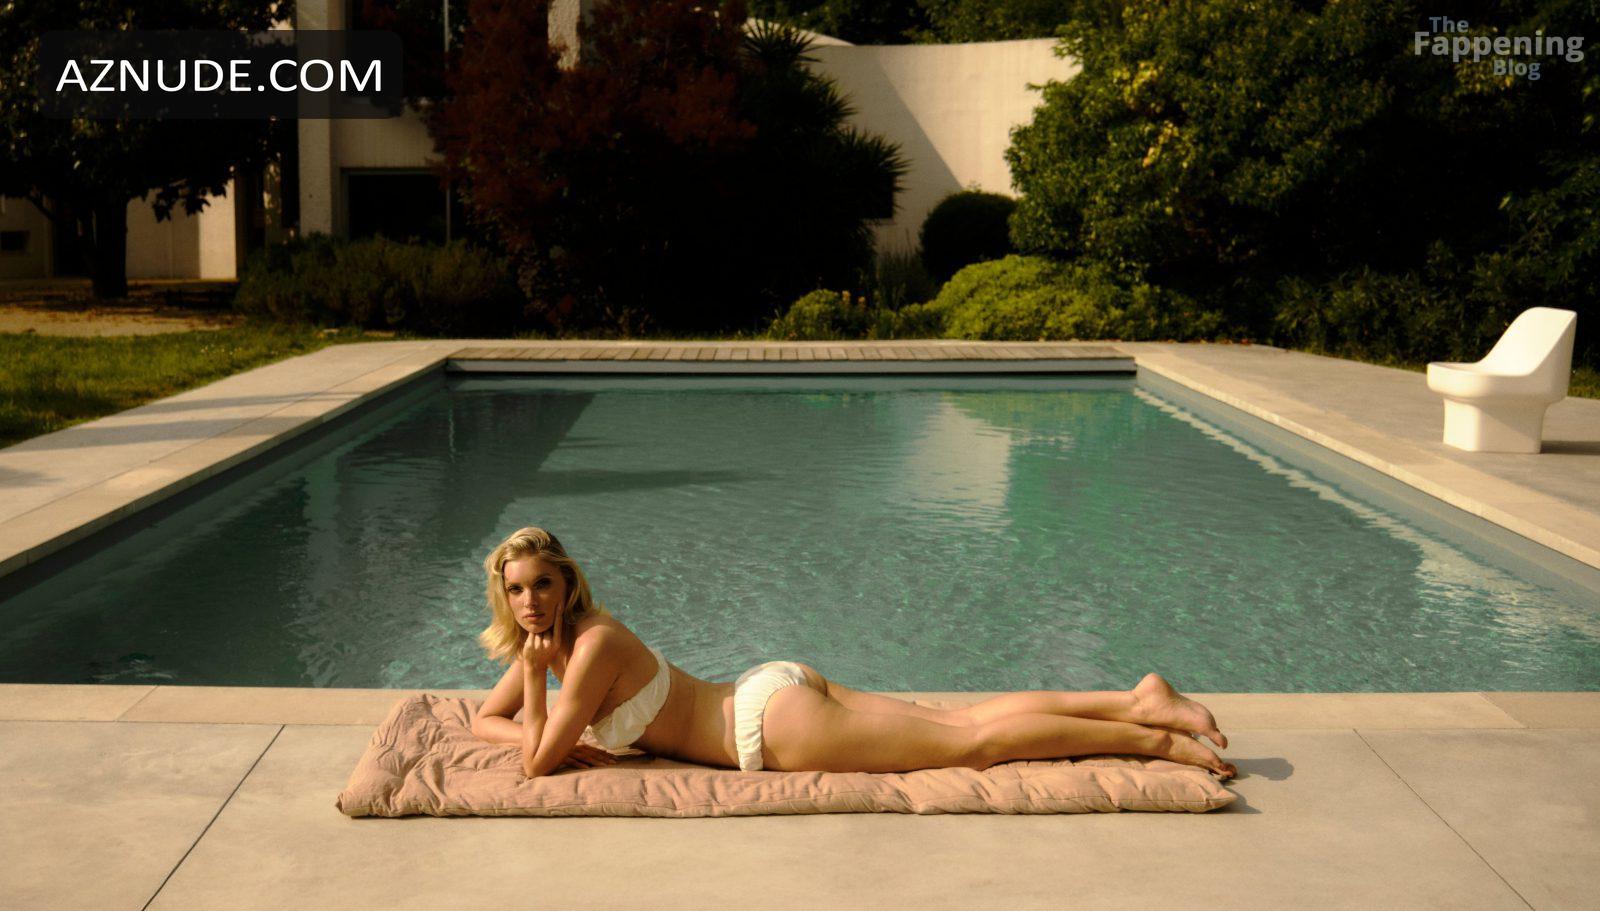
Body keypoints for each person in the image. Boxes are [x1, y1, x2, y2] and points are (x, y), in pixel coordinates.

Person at [470, 526, 1237, 780]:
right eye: (517, 589)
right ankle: (1137, 698)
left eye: (543, 584)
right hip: (768, 689)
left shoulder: (591, 644)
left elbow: (535, 763)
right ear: (505, 596)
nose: (531, 601)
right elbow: (485, 722)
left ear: (568, 583)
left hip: (766, 730)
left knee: (973, 745)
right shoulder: (547, 646)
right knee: (962, 721)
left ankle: (1153, 738)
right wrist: (537, 706)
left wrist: (539, 693)